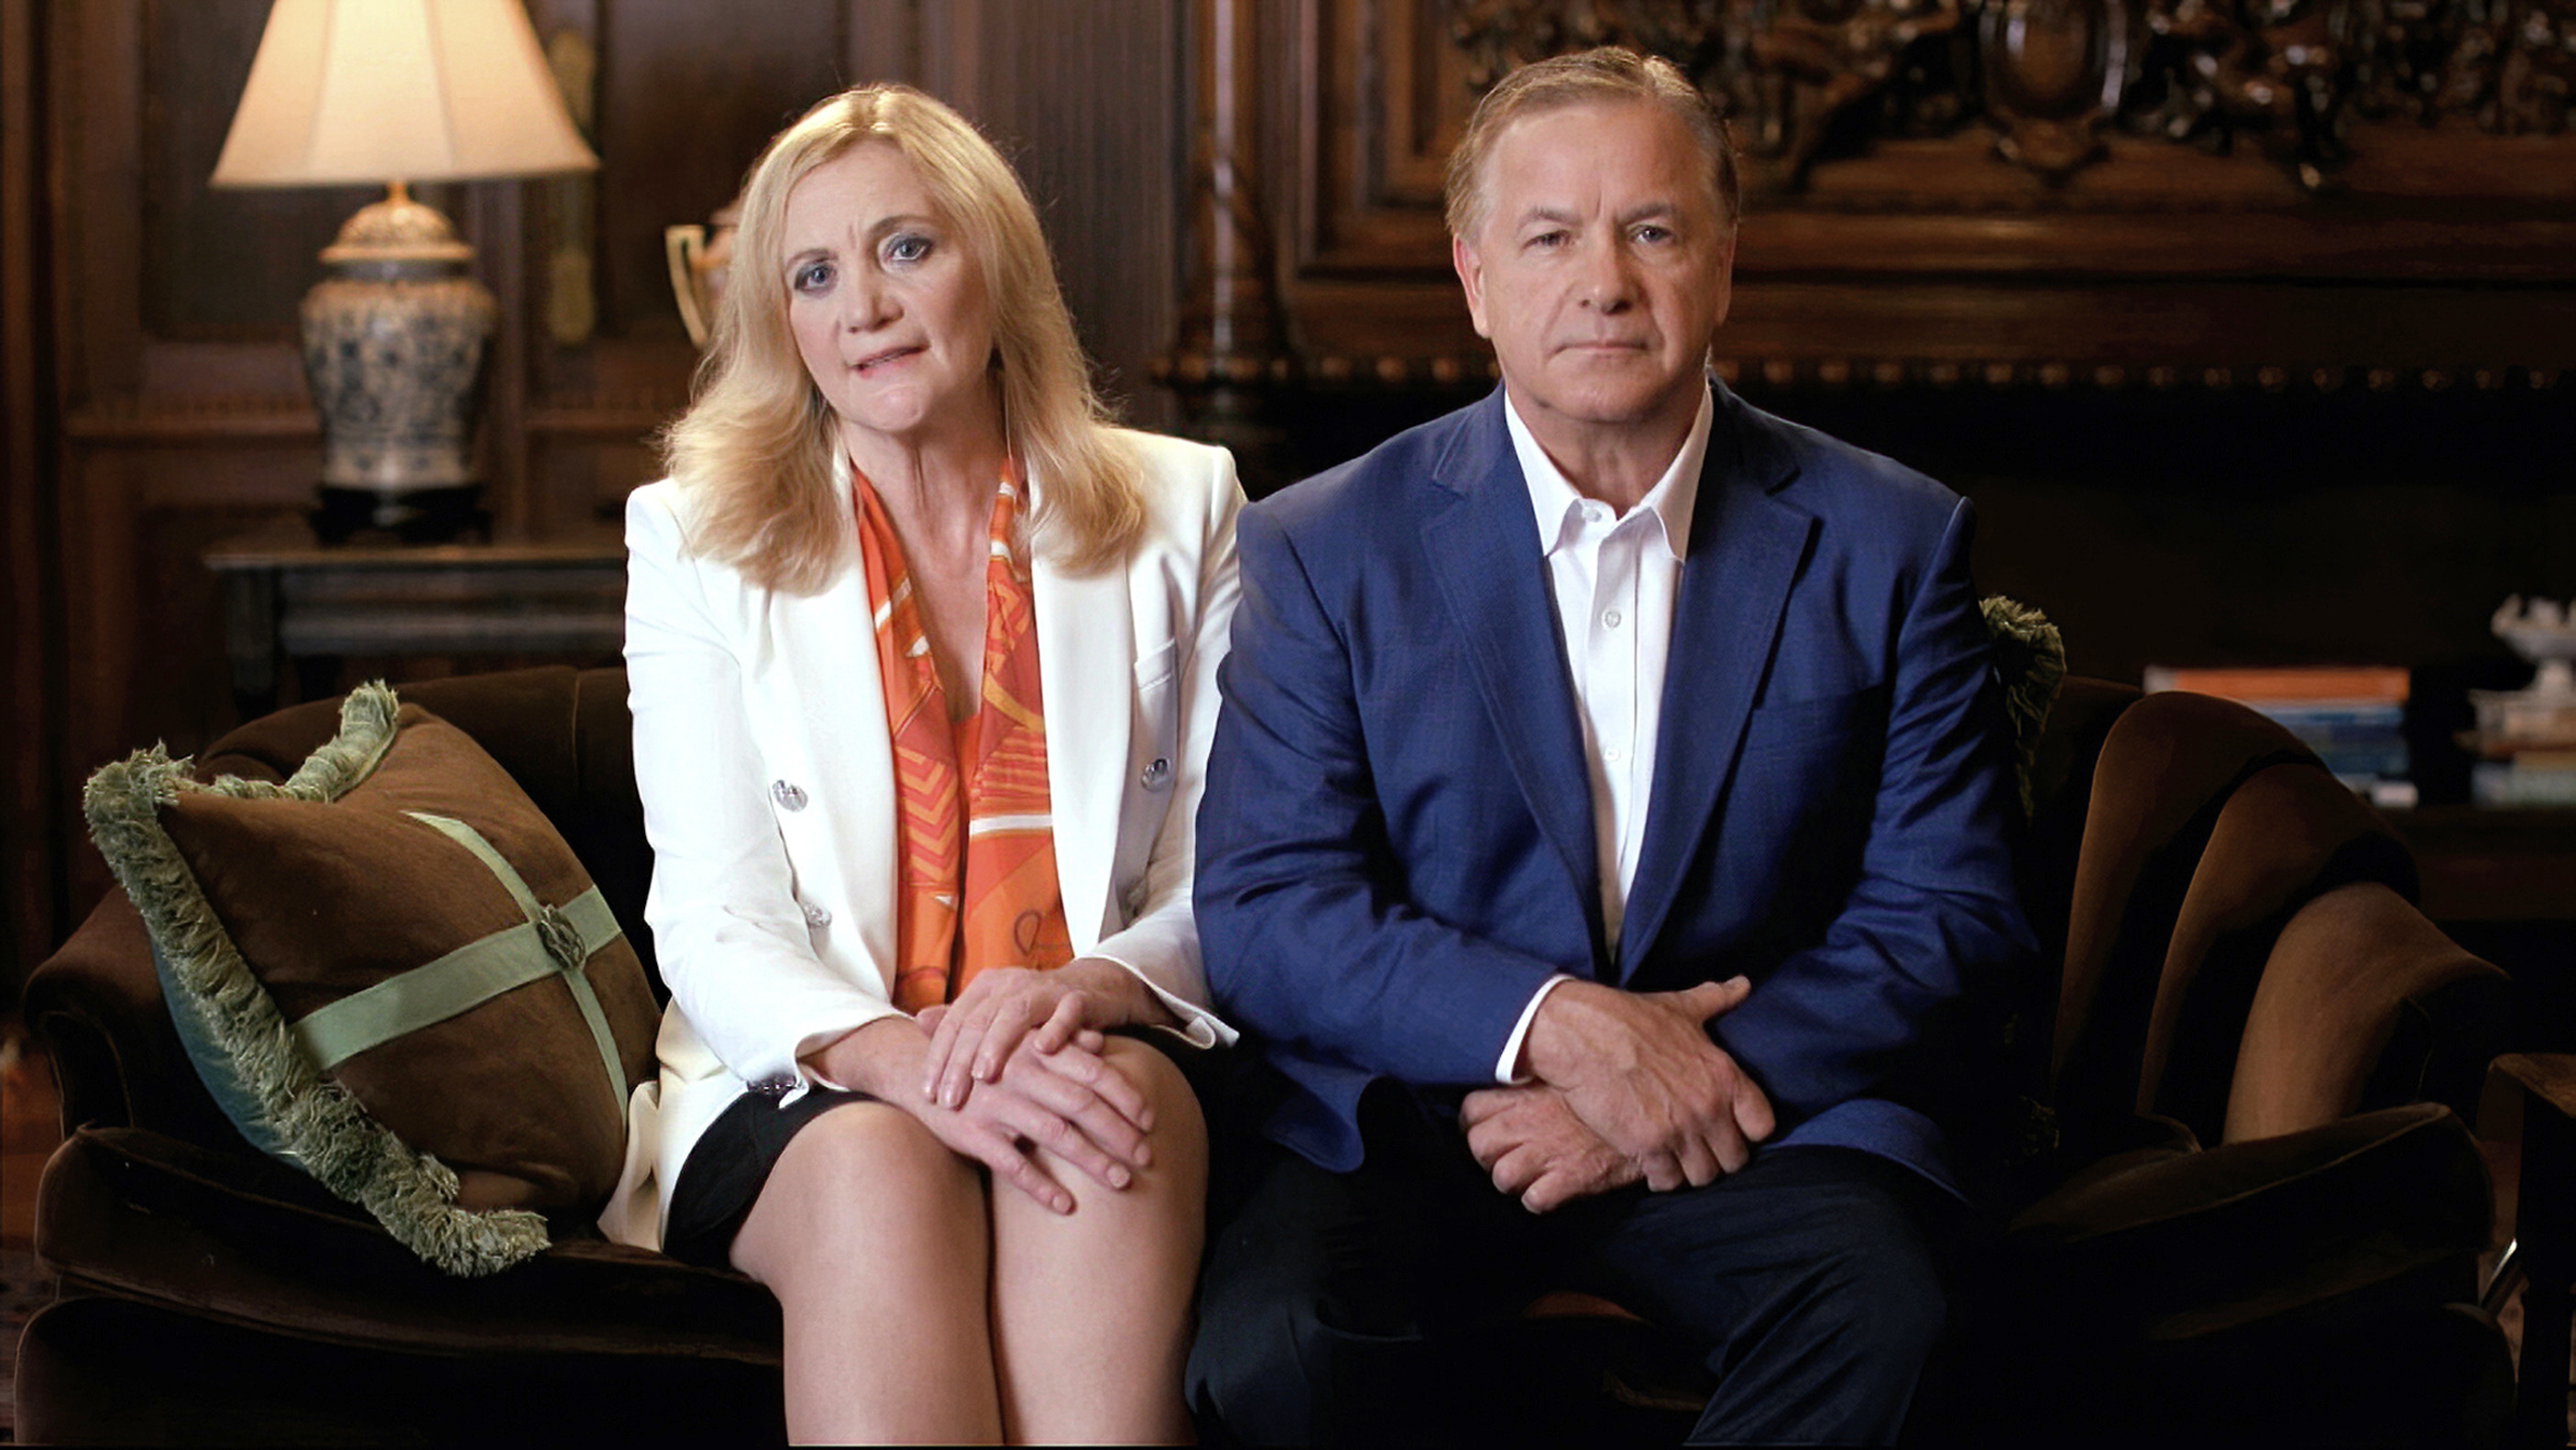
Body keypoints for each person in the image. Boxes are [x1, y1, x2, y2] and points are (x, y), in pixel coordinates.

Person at [1186, 47, 2033, 1445]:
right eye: (1550, 236)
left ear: (1723, 260)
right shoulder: (1323, 544)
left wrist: (1653, 1094)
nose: (1605, 281)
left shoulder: (1891, 539)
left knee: (1886, 1308)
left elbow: (1948, 911)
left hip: (1754, 1112)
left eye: (1651, 229)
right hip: (1429, 1112)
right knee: (1275, 1345)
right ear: (1473, 278)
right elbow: (1274, 912)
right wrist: (1558, 1033)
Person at [603, 83, 1242, 1445]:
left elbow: (1232, 872)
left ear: (993, 262)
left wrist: (1080, 990)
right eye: (814, 275)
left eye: (906, 248)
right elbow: (712, 916)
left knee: (1097, 1110)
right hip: (814, 1074)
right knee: (882, 1163)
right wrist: (905, 1058)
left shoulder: (1185, 505)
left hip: (1090, 1037)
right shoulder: (695, 537)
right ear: (781, 321)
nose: (864, 308)